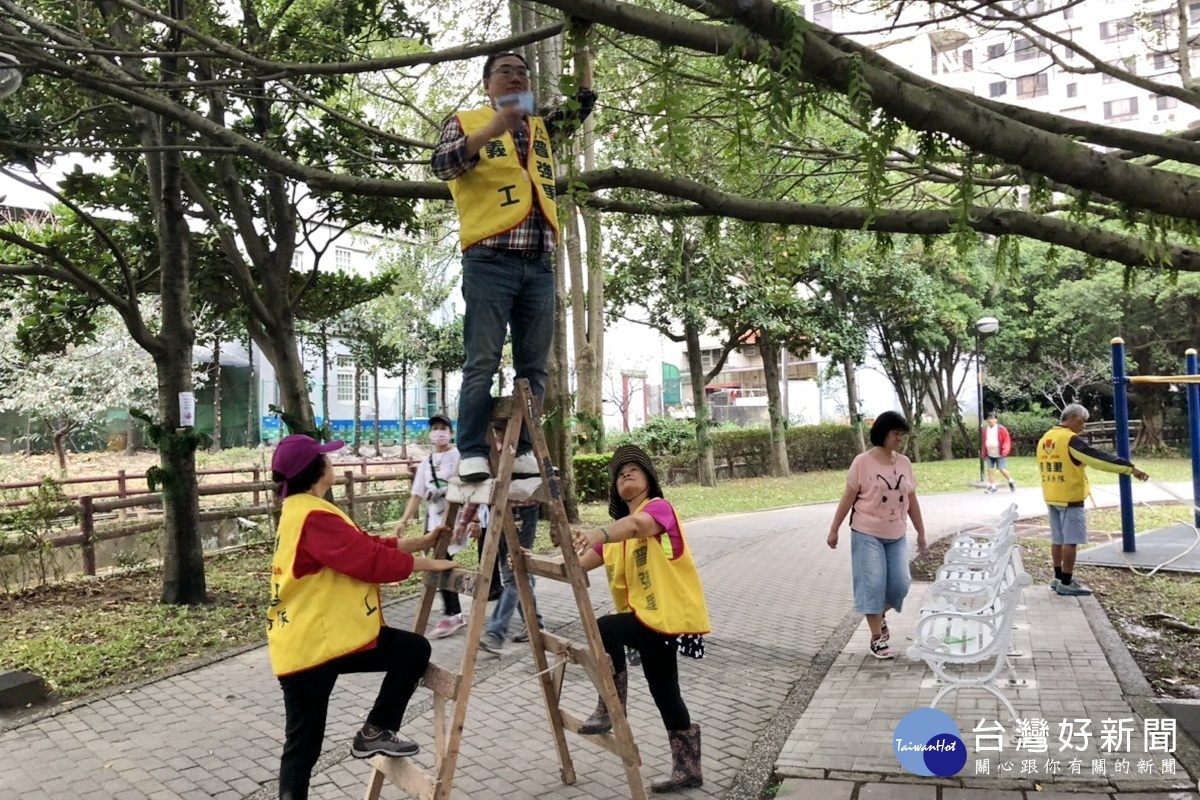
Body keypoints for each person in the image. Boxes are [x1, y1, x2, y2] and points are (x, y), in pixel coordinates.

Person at [431, 47, 596, 483]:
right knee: (482, 359)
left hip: (539, 264)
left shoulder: (539, 128)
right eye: (505, 71)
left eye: (523, 73)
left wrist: (582, 51)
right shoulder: (466, 122)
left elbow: (580, 107)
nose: (516, 78)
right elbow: (443, 164)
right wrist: (493, 128)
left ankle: (524, 449)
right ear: (487, 83)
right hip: (490, 259)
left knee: (534, 365)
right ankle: (471, 451)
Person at [266, 434, 455, 800]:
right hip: (318, 643)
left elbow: (361, 545)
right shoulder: (314, 515)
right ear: (316, 470)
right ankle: (376, 730)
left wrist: (421, 542)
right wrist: (428, 563)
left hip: (310, 642)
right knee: (412, 651)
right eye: (327, 459)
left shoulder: (299, 508)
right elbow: (368, 561)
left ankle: (375, 731)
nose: (332, 463)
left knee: (302, 745)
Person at [572, 445, 710, 793]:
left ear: (649, 478)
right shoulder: (616, 538)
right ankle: (689, 769)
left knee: (605, 627)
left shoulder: (658, 510)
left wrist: (600, 533)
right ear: (615, 489)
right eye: (620, 474)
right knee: (666, 693)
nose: (626, 474)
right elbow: (578, 565)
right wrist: (528, 560)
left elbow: (636, 525)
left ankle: (610, 706)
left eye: (634, 469)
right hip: (648, 622)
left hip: (664, 617)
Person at [827, 411, 928, 660]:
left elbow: (912, 500)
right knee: (872, 584)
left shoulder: (904, 462)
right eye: (896, 434)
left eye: (902, 435)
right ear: (883, 433)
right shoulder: (862, 462)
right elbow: (847, 498)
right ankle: (876, 638)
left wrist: (921, 532)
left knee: (900, 585)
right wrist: (834, 529)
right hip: (866, 533)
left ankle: (876, 612)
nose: (899, 439)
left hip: (896, 534)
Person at [1037, 403, 1148, 596]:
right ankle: (1067, 581)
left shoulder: (1046, 438)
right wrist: (1130, 468)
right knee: (1071, 541)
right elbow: (1098, 459)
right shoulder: (1070, 440)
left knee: (1058, 539)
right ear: (1073, 418)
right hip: (1070, 497)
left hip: (1052, 495)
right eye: (1083, 421)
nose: (1084, 426)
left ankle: (1057, 577)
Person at [395, 413, 472, 639]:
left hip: (453, 519)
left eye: (443, 428)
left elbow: (468, 488)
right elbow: (417, 494)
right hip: (433, 520)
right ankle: (451, 611)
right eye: (435, 428)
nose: (439, 432)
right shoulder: (427, 462)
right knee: (439, 561)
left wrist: (472, 520)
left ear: (450, 433)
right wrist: (404, 520)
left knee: (442, 560)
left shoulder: (458, 457)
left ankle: (453, 613)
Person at [981, 412, 1016, 493]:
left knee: (1002, 469)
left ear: (996, 420)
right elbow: (984, 442)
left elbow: (1006, 440)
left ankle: (1010, 481)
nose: (990, 420)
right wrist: (983, 453)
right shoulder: (985, 430)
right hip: (990, 453)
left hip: (999, 453)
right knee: (990, 470)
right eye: (989, 418)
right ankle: (993, 487)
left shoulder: (1001, 429)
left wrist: (1005, 450)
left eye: (992, 418)